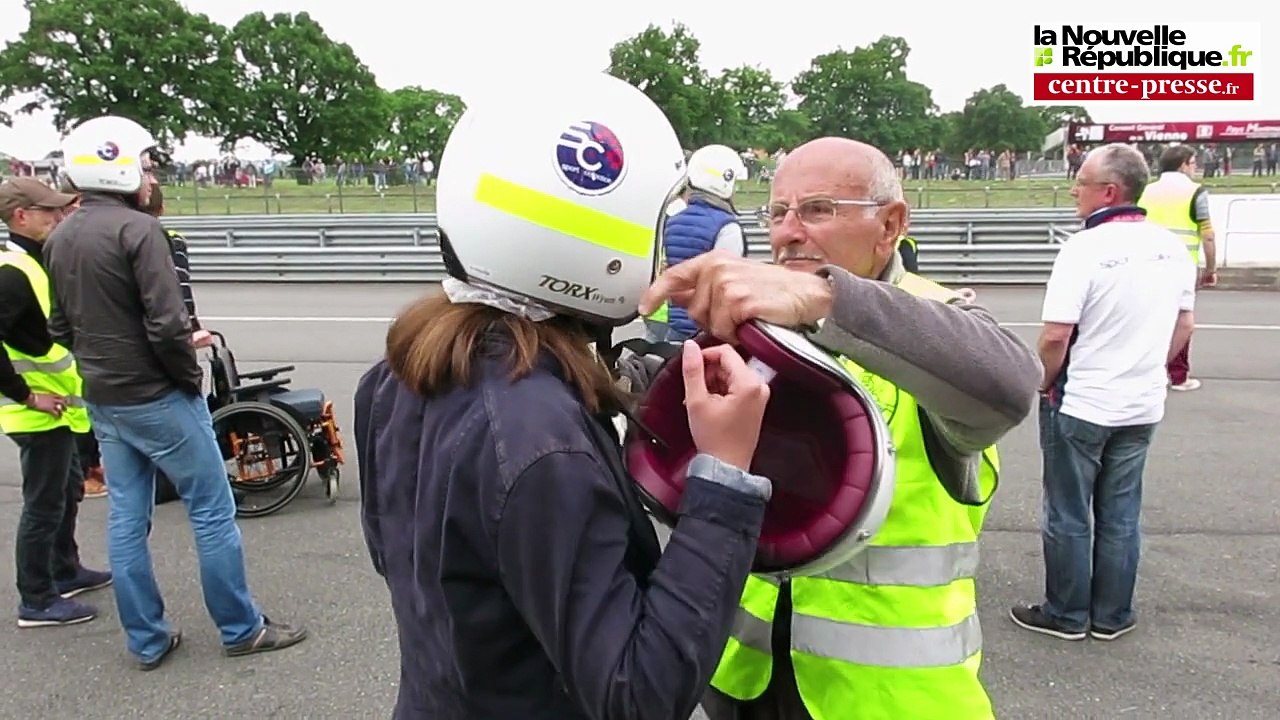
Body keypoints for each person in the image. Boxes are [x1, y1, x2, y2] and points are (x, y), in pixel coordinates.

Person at [355, 74, 776, 719]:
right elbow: (639, 694)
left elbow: (408, 563)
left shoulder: (395, 371)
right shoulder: (541, 443)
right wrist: (724, 480)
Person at [640, 137, 1044, 720]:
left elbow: (1008, 383)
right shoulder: (758, 325)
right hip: (744, 682)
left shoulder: (937, 321)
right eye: (777, 213)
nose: (787, 233)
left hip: (888, 701)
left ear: (891, 225)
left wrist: (826, 299)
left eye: (819, 209)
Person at [42, 115, 307, 669]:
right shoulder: (140, 232)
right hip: (157, 396)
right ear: (118, 166)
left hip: (104, 399)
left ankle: (147, 638)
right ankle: (241, 628)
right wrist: (187, 377)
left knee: (126, 518)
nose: (150, 174)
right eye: (144, 164)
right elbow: (168, 326)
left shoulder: (62, 233)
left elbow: (59, 327)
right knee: (211, 512)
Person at [1010, 143, 1195, 643]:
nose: (1076, 190)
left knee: (1068, 509)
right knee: (1121, 511)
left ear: (1109, 191)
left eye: (1083, 182)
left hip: (1085, 400)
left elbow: (1055, 336)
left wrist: (1044, 381)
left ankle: (1067, 613)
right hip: (1140, 402)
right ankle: (1113, 613)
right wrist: (1147, 367)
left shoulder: (1083, 249)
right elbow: (1184, 324)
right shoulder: (1172, 245)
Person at [0, 177, 112, 628]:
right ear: (20, 217)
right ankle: (37, 598)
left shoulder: (33, 260)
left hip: (57, 406)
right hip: (32, 410)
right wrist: (27, 395)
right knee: (44, 504)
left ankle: (65, 571)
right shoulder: (11, 272)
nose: (58, 217)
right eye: (48, 212)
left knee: (66, 491)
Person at [644, 143, 749, 343]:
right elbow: (725, 286)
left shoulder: (670, 217)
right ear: (725, 183)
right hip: (695, 327)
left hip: (657, 316)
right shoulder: (727, 228)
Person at [1137, 144, 1215, 392]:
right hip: (1182, 266)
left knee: (1147, 319)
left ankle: (1141, 369)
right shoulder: (1195, 192)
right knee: (1182, 320)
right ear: (1183, 164)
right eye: (1193, 163)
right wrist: (1210, 268)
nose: (1195, 168)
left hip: (1147, 263)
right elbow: (1208, 235)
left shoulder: (1146, 191)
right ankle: (1178, 375)